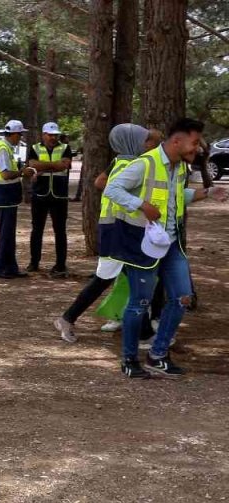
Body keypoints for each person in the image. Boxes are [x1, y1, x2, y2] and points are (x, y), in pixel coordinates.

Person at [100, 118, 226, 379]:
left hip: (171, 244)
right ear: (177, 141)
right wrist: (140, 205)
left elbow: (179, 196)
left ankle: (157, 356)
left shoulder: (179, 168)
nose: (198, 148)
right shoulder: (144, 163)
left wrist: (208, 193)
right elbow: (111, 188)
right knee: (140, 303)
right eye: (194, 143)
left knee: (182, 297)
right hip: (141, 245)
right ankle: (129, 359)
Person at [53, 124, 158, 343]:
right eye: (145, 141)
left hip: (115, 228)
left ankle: (145, 333)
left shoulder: (118, 161)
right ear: (133, 143)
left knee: (126, 278)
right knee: (116, 278)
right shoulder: (135, 164)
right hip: (120, 230)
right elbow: (104, 185)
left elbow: (100, 182)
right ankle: (68, 318)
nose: (149, 145)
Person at [26, 122, 74, 277]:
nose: (53, 137)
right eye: (50, 134)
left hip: (59, 195)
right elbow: (32, 164)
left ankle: (60, 264)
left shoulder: (65, 148)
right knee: (37, 230)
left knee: (60, 231)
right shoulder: (34, 148)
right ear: (43, 134)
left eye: (55, 135)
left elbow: (64, 165)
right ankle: (34, 262)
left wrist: (43, 167)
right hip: (40, 195)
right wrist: (54, 165)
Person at [0, 120, 35, 278]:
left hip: (7, 196)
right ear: (14, 134)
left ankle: (10, 267)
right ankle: (0, 268)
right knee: (5, 233)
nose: (21, 137)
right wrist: (23, 172)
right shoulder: (2, 149)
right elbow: (5, 174)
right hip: (4, 195)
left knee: (9, 233)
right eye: (20, 134)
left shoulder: (6, 148)